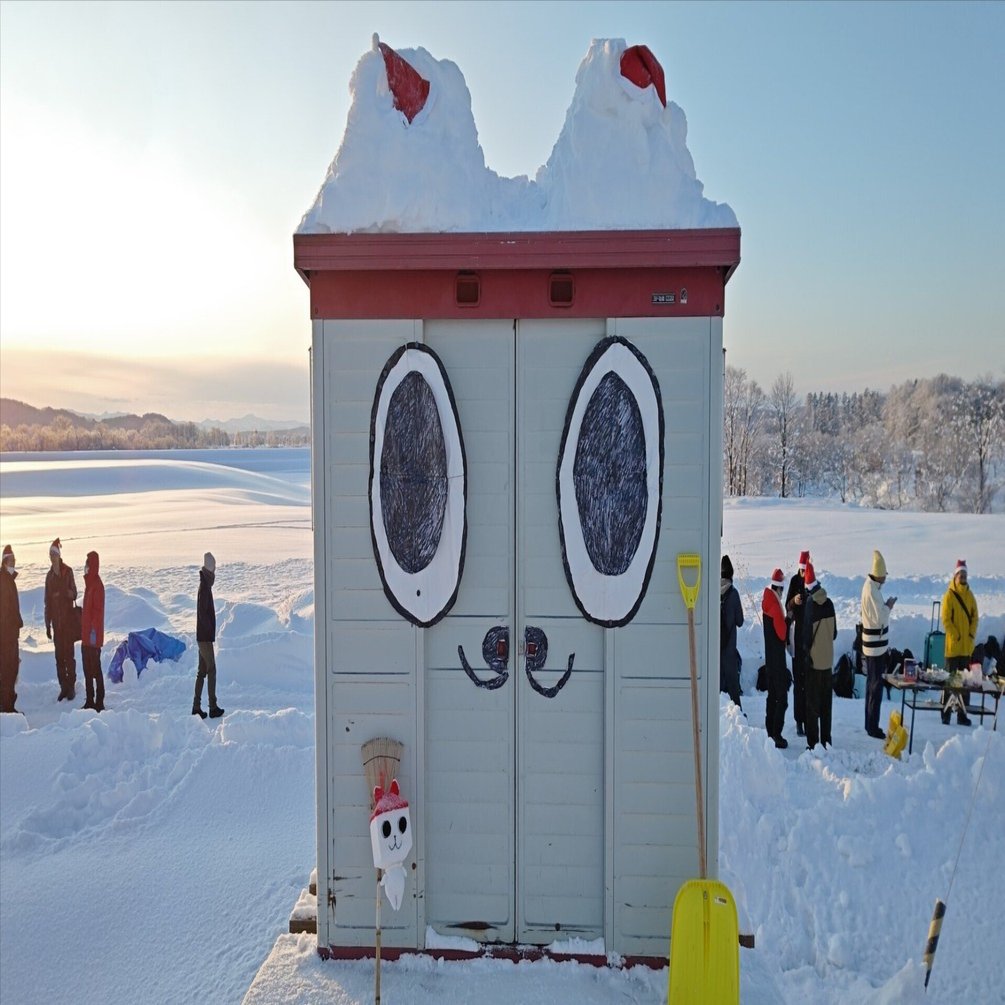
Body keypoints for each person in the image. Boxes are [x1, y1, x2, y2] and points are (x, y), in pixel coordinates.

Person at [860, 549, 896, 740]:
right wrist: (888, 606)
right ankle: (872, 726)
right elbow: (880, 617)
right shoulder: (872, 591)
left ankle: (869, 723)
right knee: (875, 687)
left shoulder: (870, 588)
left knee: (871, 685)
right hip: (875, 647)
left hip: (873, 645)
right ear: (880, 575)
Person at [803, 562, 837, 750]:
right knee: (826, 706)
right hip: (828, 662)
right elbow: (835, 634)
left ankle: (813, 743)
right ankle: (826, 741)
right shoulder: (830, 603)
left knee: (812, 705)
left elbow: (807, 637)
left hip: (814, 663)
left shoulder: (810, 604)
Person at [941, 559, 977, 727]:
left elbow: (975, 617)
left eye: (965, 575)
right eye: (960, 575)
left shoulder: (970, 596)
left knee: (964, 684)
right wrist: (956, 635)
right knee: (951, 683)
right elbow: (946, 619)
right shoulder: (949, 596)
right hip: (954, 648)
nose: (963, 577)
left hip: (965, 649)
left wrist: (970, 634)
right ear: (955, 576)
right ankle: (946, 713)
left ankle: (962, 715)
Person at [44, 538, 78, 702]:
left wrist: (65, 593)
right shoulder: (49, 576)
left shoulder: (68, 571)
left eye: (54, 554)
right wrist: (47, 625)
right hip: (57, 623)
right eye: (50, 554)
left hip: (68, 622)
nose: (52, 557)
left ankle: (71, 686)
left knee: (69, 655)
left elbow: (75, 593)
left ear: (59, 555)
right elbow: (47, 602)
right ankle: (63, 686)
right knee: (59, 657)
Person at [762, 567, 791, 748]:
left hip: (770, 659)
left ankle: (769, 729)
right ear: (779, 588)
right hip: (778, 660)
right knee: (782, 698)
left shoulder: (767, 601)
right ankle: (777, 733)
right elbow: (782, 634)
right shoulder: (775, 606)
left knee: (772, 696)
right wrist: (788, 619)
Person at [193, 552, 224, 719]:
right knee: (211, 670)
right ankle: (212, 707)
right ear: (210, 568)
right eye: (214, 566)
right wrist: (208, 631)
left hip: (203, 637)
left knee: (202, 671)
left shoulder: (205, 585)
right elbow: (203, 615)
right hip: (204, 638)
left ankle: (196, 706)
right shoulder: (204, 587)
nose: (215, 570)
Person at [784, 549, 811, 736]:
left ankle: (808, 718)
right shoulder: (794, 581)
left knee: (808, 684)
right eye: (801, 570)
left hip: (808, 641)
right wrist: (794, 600)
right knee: (799, 684)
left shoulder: (811, 582)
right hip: (796, 640)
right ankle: (799, 720)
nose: (803, 573)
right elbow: (787, 606)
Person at [80, 549, 106, 712]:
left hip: (93, 637)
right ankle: (89, 699)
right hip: (86, 637)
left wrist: (92, 634)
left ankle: (99, 700)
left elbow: (97, 612)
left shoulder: (97, 586)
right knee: (87, 670)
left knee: (95, 669)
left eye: (87, 564)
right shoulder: (89, 585)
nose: (85, 567)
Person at [1, 544, 23, 714]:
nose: (14, 563)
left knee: (11, 668)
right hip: (6, 636)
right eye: (12, 560)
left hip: (10, 634)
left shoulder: (8, 579)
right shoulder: (3, 580)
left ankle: (7, 704)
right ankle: (7, 706)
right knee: (8, 669)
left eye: (14, 560)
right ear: (4, 561)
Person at [719, 554, 743, 709]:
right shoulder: (733, 594)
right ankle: (738, 715)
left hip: (716, 648)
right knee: (733, 686)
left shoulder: (713, 591)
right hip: (729, 647)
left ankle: (718, 716)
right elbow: (740, 621)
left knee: (717, 685)